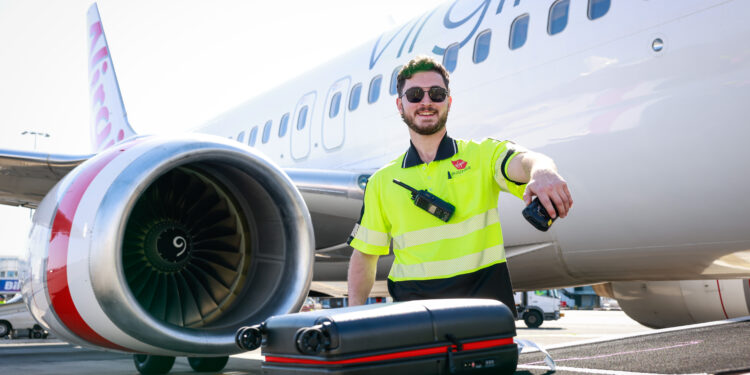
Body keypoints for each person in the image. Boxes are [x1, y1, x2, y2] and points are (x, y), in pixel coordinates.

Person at [346, 56, 573, 311]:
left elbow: (524, 160)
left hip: (484, 311)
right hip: (413, 317)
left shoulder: (482, 154)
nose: (426, 102)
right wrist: (353, 314)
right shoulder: (382, 181)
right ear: (400, 105)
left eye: (437, 93)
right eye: (415, 95)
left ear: (448, 102)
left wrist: (542, 171)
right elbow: (365, 256)